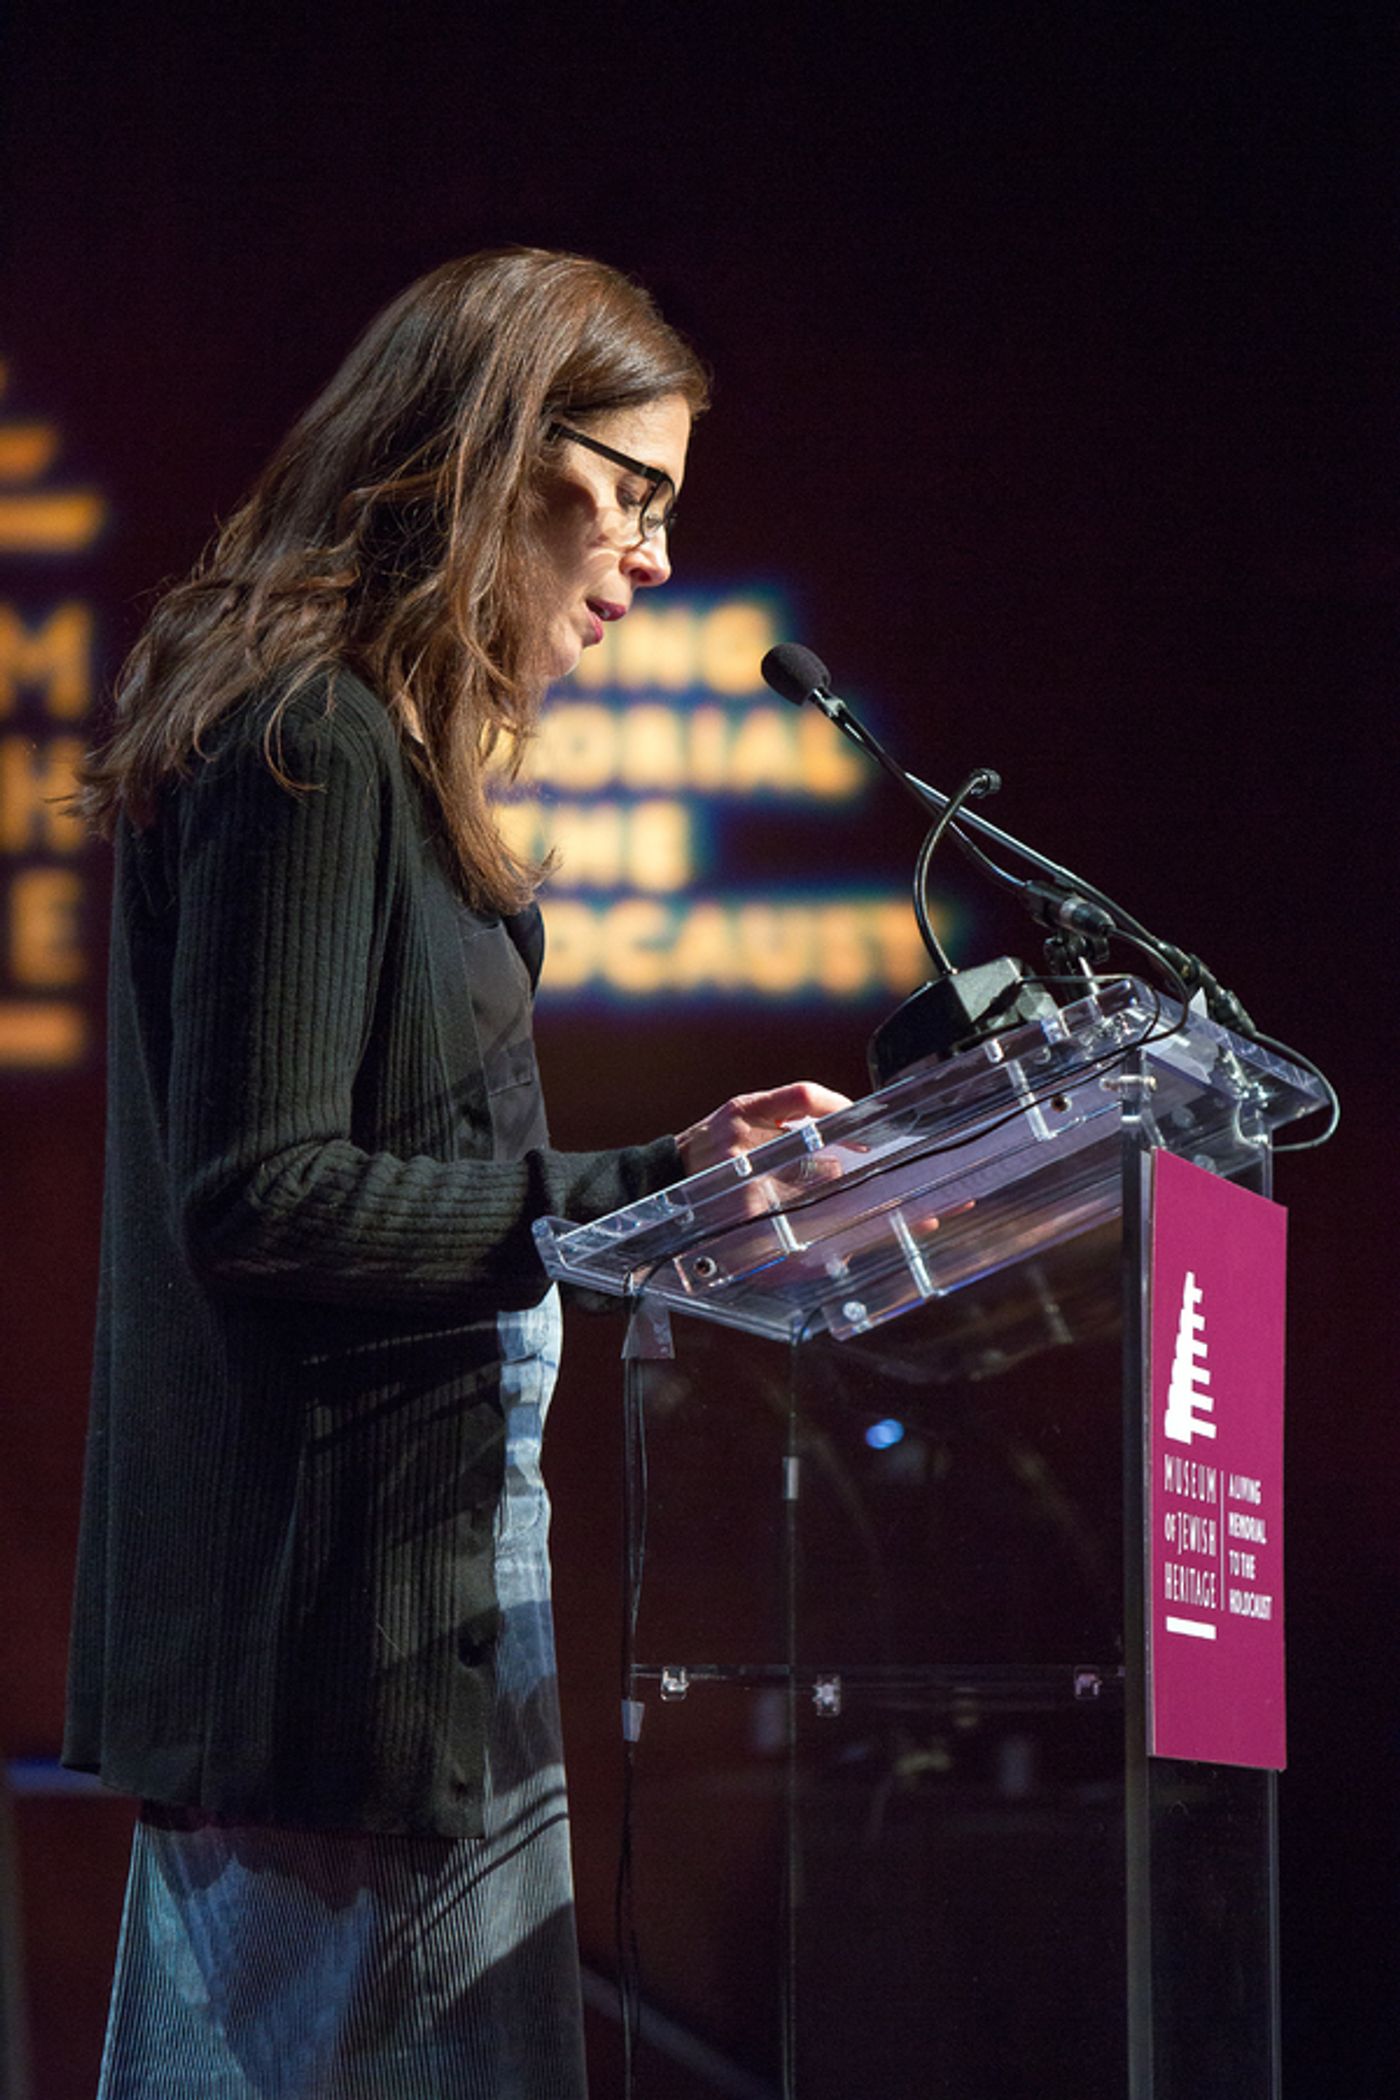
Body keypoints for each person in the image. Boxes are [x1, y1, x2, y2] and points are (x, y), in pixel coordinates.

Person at [63, 248, 845, 2099]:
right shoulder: (309, 738)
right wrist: (622, 1192)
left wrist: (657, 1183)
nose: (653, 559)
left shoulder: (378, 744)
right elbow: (261, 1199)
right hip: (334, 1616)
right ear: (499, 446)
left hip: (419, 1561)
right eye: (634, 494)